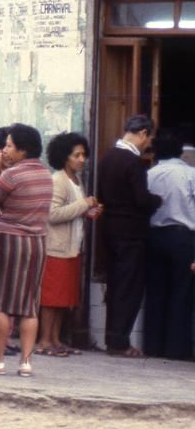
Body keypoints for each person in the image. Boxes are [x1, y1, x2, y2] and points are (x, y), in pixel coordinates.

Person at [0, 123, 53, 377]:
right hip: (37, 242)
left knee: (0, 302)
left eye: (9, 145)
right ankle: (26, 363)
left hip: (9, 240)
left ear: (22, 150)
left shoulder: (11, 175)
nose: (5, 149)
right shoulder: (45, 174)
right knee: (29, 304)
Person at [96, 115, 162, 358]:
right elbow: (141, 200)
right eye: (150, 138)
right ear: (143, 133)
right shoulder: (133, 162)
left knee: (116, 285)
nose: (149, 144)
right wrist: (158, 200)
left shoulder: (107, 158)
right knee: (129, 287)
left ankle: (112, 339)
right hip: (131, 233)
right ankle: (120, 342)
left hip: (110, 229)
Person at [39, 132, 100, 357]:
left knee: (63, 298)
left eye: (83, 155)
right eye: (76, 155)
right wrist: (84, 204)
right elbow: (52, 214)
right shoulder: (58, 180)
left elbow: (73, 211)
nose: (82, 159)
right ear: (65, 156)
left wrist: (88, 211)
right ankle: (45, 341)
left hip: (71, 248)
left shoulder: (76, 180)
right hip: (56, 249)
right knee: (51, 299)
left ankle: (56, 340)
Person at [144, 130, 195, 359]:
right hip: (183, 237)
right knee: (181, 293)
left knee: (155, 291)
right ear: (180, 151)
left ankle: (153, 346)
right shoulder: (190, 174)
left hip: (155, 236)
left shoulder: (149, 174)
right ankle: (176, 349)